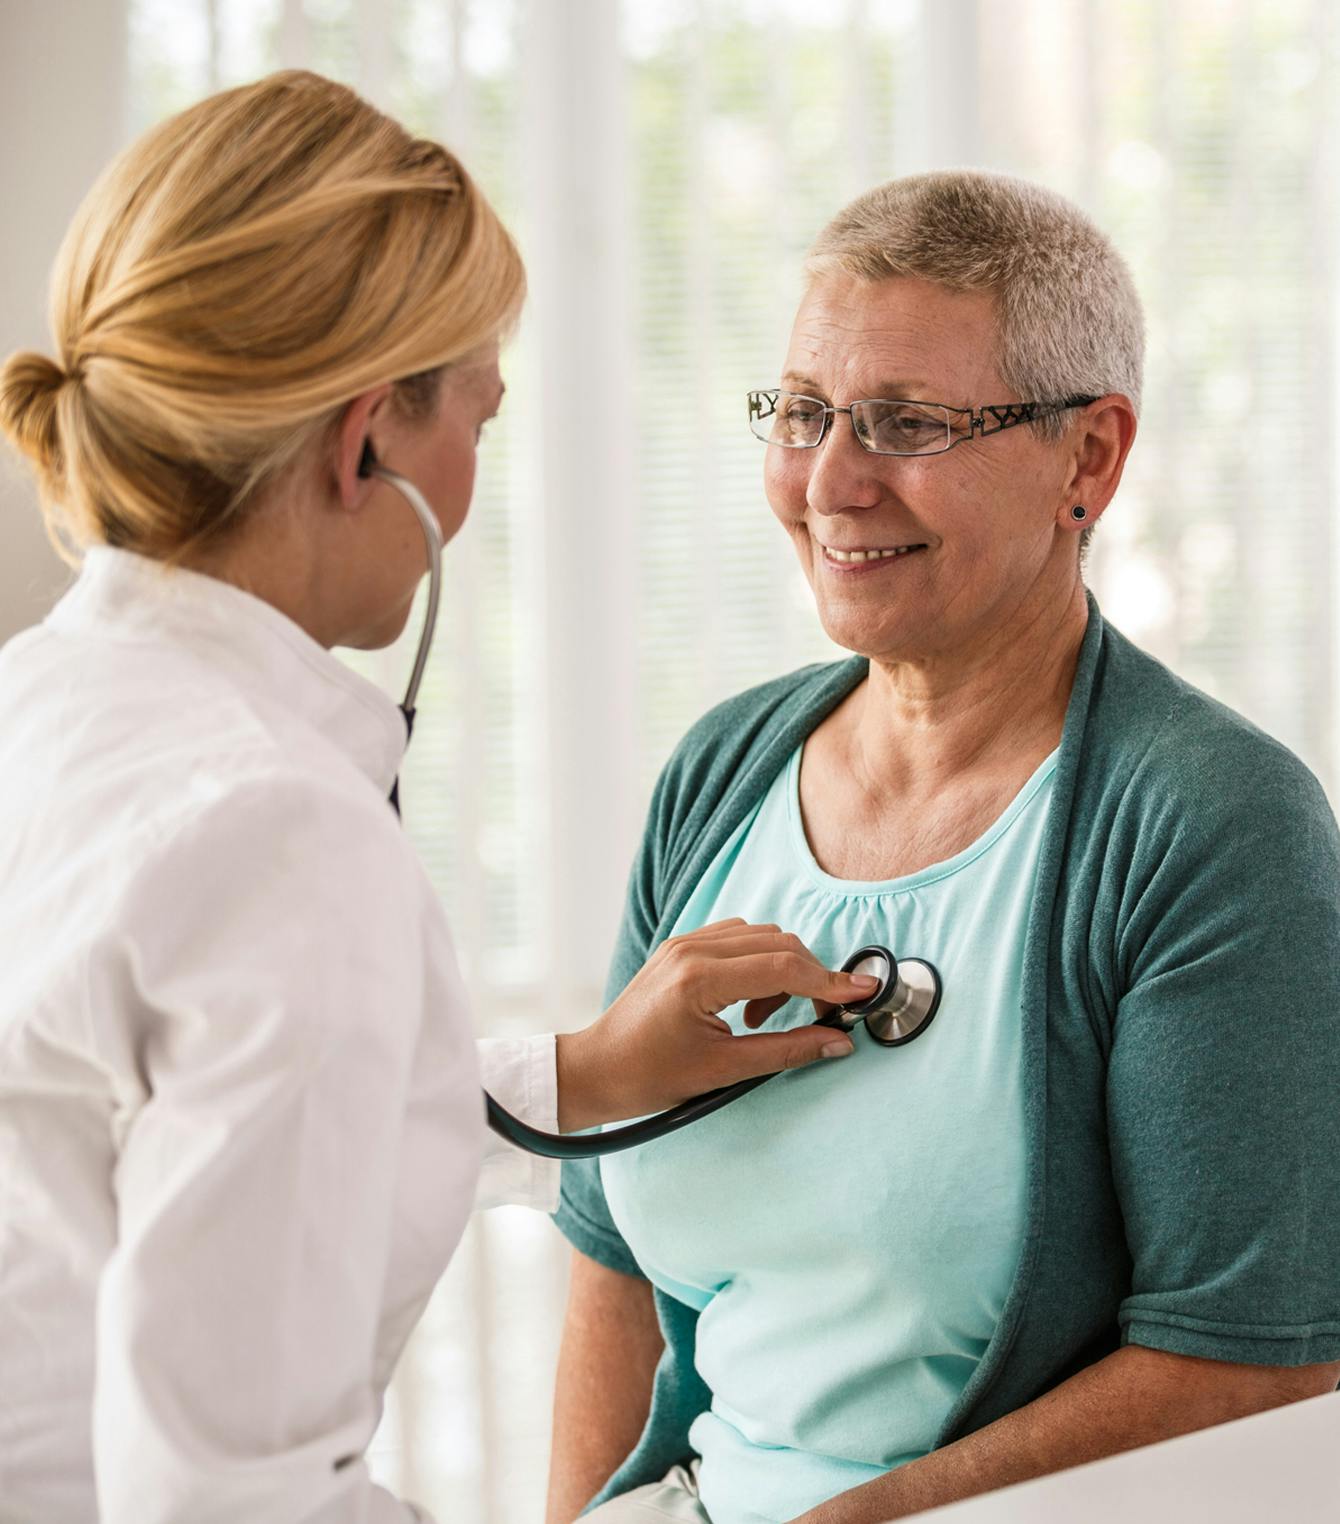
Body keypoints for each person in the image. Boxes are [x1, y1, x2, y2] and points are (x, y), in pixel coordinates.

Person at [0, 71, 881, 1524]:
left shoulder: (45, 706)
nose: (477, 466)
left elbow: (154, 1127)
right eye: (477, 411)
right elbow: (231, 1504)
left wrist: (587, 1073)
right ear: (366, 445)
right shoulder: (276, 830)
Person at [547, 170, 1340, 1524]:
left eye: (908, 422)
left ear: (1089, 458)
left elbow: (1255, 1359)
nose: (833, 482)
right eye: (802, 414)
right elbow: (608, 1251)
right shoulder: (720, 775)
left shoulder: (1212, 828)